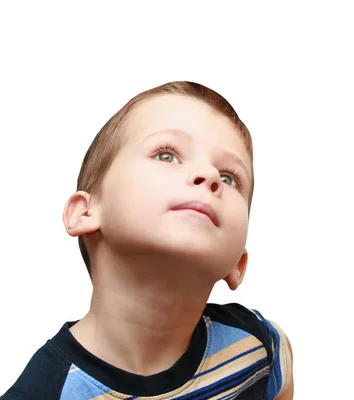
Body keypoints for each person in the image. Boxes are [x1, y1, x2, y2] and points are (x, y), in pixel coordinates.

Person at [0, 81, 294, 399]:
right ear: (84, 213)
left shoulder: (261, 348)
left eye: (228, 178)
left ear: (238, 263)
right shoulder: (44, 393)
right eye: (167, 155)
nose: (209, 176)